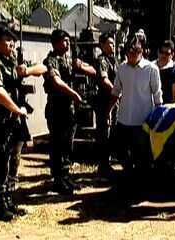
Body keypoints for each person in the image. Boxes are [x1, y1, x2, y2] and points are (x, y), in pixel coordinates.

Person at [0, 25, 47, 221]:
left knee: (14, 158)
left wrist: (26, 70)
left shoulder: (11, 62)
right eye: (8, 40)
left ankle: (9, 197)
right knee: (0, 160)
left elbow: (43, 68)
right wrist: (16, 110)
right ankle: (0, 202)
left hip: (15, 122)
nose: (12, 44)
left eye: (13, 40)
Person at [43, 29, 96, 195]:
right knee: (57, 145)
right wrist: (73, 94)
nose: (67, 44)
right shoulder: (51, 60)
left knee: (67, 144)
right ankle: (58, 179)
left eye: (68, 40)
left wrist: (80, 65)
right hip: (57, 109)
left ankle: (65, 176)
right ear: (56, 42)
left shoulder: (69, 59)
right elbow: (56, 81)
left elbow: (93, 71)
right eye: (64, 40)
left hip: (70, 109)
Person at [106, 32, 163, 176]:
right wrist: (108, 111)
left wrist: (158, 118)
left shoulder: (151, 69)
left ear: (140, 52)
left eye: (133, 53)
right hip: (124, 120)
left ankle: (140, 184)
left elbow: (157, 96)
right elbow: (115, 92)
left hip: (143, 122)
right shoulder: (122, 68)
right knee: (123, 155)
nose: (130, 56)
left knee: (142, 157)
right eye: (128, 53)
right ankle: (129, 179)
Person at [93, 32, 118, 178]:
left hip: (114, 100)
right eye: (109, 43)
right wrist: (117, 90)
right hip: (104, 101)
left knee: (111, 133)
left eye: (113, 43)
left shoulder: (113, 60)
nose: (112, 45)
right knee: (104, 134)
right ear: (102, 45)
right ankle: (103, 167)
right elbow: (104, 80)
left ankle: (107, 164)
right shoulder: (102, 60)